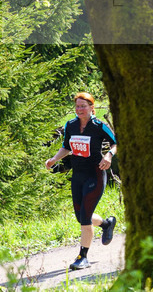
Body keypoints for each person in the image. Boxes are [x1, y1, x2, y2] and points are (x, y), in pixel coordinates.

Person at [45, 93, 118, 271]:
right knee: (81, 217)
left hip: (95, 174)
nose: (79, 109)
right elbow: (67, 147)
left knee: (85, 218)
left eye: (83, 106)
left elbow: (116, 143)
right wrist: (54, 159)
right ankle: (106, 223)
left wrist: (108, 155)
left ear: (92, 108)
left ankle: (82, 257)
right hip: (78, 175)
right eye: (77, 106)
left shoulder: (99, 126)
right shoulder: (71, 125)